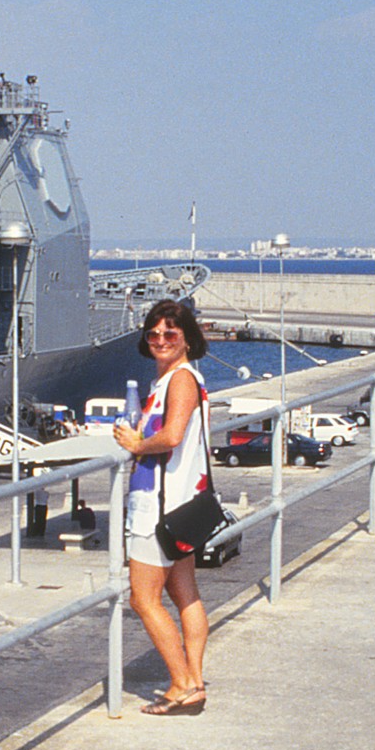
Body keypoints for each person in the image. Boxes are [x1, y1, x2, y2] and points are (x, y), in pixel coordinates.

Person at [113, 299, 214, 716]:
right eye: (153, 334)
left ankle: (182, 683)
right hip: (182, 503)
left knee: (143, 599)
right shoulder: (172, 381)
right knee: (182, 592)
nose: (160, 340)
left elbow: (171, 436)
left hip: (160, 507)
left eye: (170, 333)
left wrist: (137, 445)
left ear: (187, 338)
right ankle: (194, 680)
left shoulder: (180, 380)